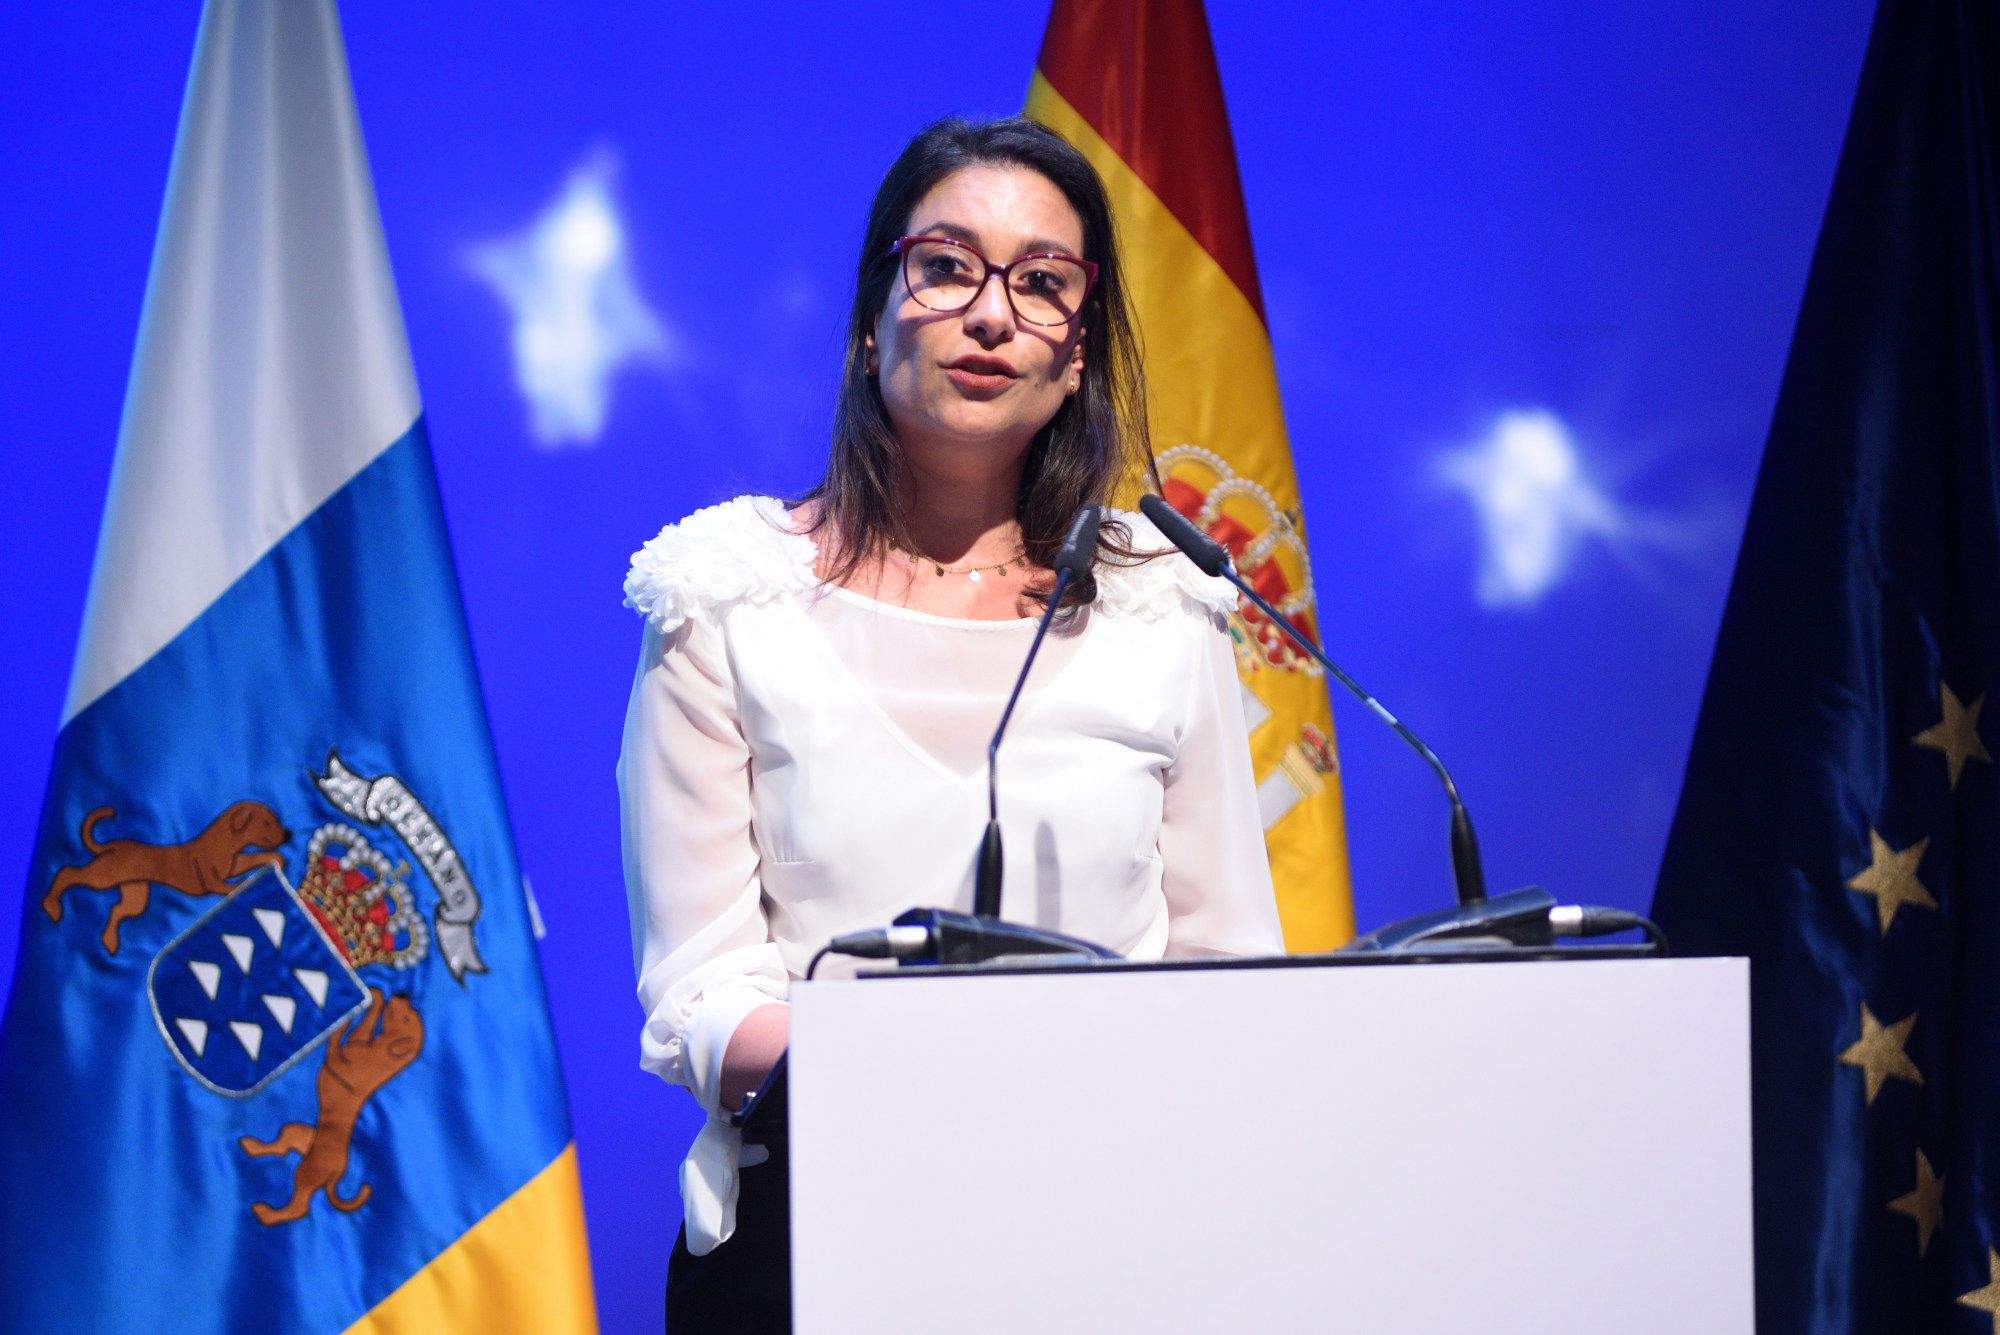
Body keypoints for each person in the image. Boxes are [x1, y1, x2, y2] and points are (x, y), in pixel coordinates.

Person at [618, 115, 1282, 1331]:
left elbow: (1227, 959)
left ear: (1077, 356)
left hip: (1117, 1232)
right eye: (946, 267)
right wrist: (909, 1080)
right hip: (812, 1229)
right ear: (872, 320)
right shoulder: (728, 595)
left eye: (1042, 284)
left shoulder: (1158, 600)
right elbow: (699, 985)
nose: (990, 315)